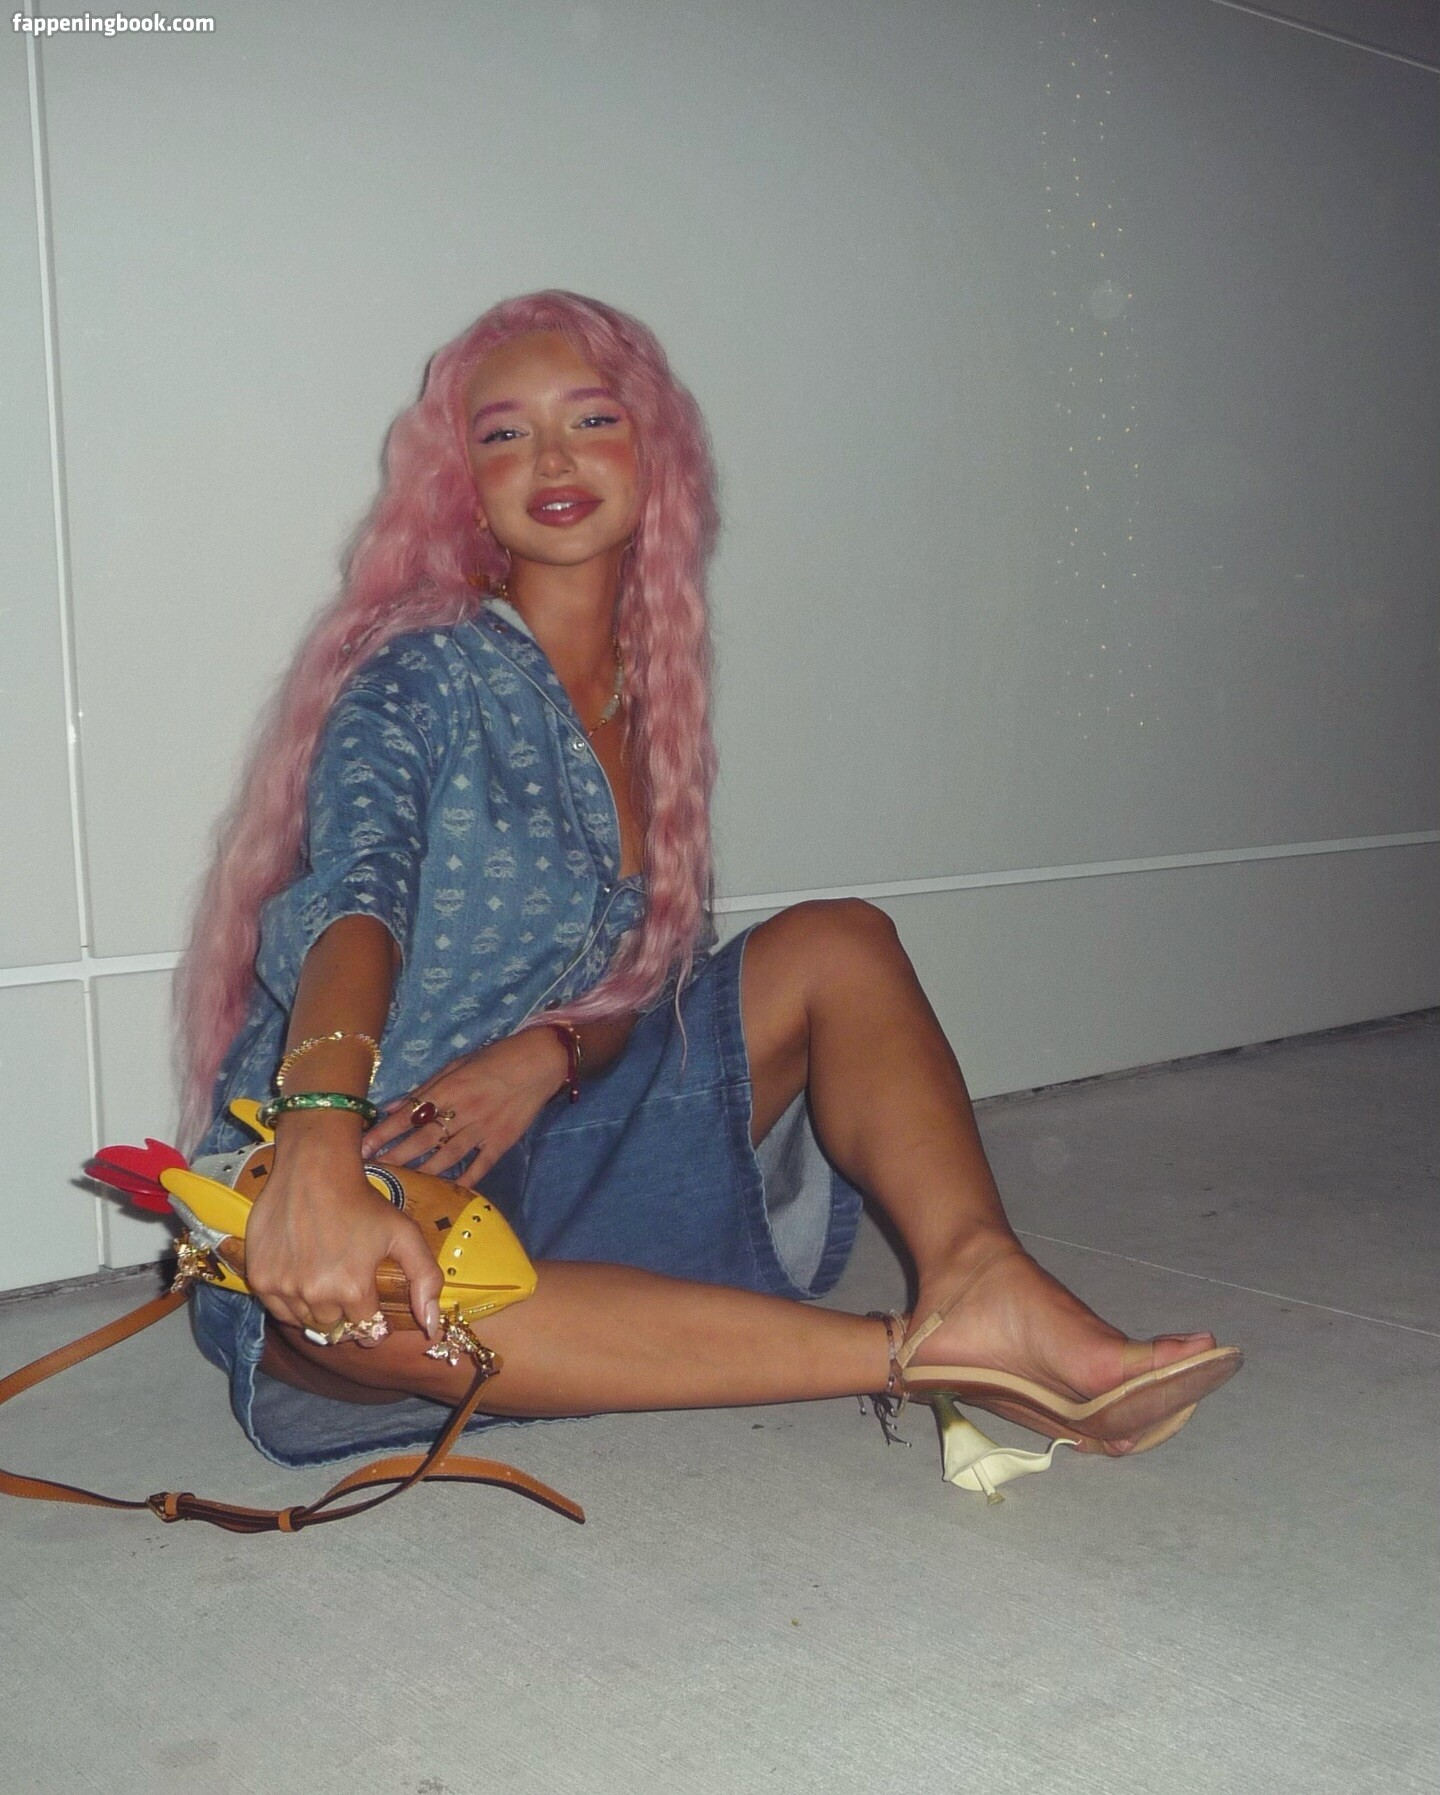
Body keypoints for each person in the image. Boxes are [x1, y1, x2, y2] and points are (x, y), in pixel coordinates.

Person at [178, 290, 1240, 1478]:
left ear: (657, 456)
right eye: (505, 434)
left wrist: (551, 1054)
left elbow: (642, 984)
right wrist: (320, 1145)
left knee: (840, 942)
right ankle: (922, 1352)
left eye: (591, 420)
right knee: (370, 1310)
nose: (552, 459)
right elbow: (354, 903)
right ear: (464, 486)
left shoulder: (653, 706)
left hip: (553, 1155)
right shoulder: (420, 671)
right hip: (365, 1163)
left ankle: (980, 1272)